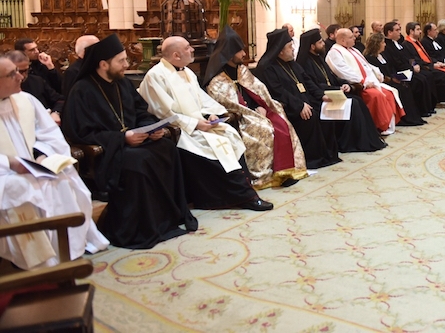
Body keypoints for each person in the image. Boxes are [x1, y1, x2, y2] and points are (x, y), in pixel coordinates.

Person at [63, 34, 197, 249]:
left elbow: (141, 112)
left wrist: (152, 128)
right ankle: (141, 227)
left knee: (167, 148)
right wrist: (122, 138)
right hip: (108, 151)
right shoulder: (82, 90)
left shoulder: (122, 84)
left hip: (135, 142)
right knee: (139, 160)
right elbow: (81, 132)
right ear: (103, 64)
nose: (127, 64)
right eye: (121, 61)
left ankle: (168, 217)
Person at [138, 36, 272, 211]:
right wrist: (196, 124)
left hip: (200, 124)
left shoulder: (187, 72)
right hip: (183, 130)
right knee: (214, 147)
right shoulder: (156, 76)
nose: (192, 50)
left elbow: (202, 100)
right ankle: (239, 197)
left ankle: (245, 191)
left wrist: (211, 114)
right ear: (176, 55)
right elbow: (164, 113)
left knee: (230, 135)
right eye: (188, 47)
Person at [0, 56, 108, 270]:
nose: (20, 77)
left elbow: (49, 134)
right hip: (5, 174)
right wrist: (9, 163)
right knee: (20, 189)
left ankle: (68, 249)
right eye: (12, 74)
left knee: (62, 177)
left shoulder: (26, 100)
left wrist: (42, 155)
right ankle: (38, 260)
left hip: (35, 165)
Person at [203, 26, 308, 188]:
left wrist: (261, 106)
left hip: (256, 111)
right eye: (240, 51)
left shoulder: (242, 70)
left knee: (281, 121)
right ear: (230, 53)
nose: (244, 54)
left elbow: (257, 91)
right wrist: (251, 111)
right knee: (264, 129)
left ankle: (284, 170)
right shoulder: (217, 80)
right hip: (238, 117)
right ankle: (265, 176)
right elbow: (225, 104)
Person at [254, 28, 341, 169]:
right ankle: (312, 158)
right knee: (310, 117)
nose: (293, 49)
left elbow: (307, 82)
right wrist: (299, 105)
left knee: (326, 111)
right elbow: (278, 92)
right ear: (280, 51)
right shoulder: (267, 68)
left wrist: (321, 95)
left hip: (305, 100)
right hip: (287, 106)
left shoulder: (292, 63)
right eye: (290, 47)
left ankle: (327, 154)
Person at [296, 28, 388, 151]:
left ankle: (370, 139)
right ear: (312, 46)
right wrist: (336, 88)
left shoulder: (319, 58)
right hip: (320, 97)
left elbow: (332, 77)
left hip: (332, 91)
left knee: (358, 100)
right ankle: (352, 143)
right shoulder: (305, 63)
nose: (324, 44)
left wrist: (345, 84)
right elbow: (313, 86)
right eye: (320, 42)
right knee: (353, 103)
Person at [326, 28, 404, 135]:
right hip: (356, 85)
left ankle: (387, 126)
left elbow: (366, 65)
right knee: (376, 95)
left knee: (389, 93)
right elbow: (343, 72)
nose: (354, 38)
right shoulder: (334, 53)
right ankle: (376, 126)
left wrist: (377, 74)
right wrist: (363, 82)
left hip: (368, 82)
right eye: (351, 37)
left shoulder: (353, 50)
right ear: (343, 40)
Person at [363, 32, 426, 126]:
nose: (385, 44)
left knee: (406, 86)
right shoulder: (370, 58)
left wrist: (397, 76)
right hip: (382, 82)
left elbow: (390, 68)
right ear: (377, 44)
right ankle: (404, 119)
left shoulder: (382, 55)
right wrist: (392, 79)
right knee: (401, 89)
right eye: (383, 42)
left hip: (391, 78)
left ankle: (413, 117)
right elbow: (377, 75)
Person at [403, 22, 445, 109]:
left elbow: (427, 56)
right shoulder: (407, 44)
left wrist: (436, 62)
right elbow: (414, 60)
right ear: (411, 31)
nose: (420, 31)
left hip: (428, 64)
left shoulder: (417, 42)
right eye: (418, 29)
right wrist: (432, 65)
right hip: (423, 67)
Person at [382, 21, 437, 116]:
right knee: (419, 80)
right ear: (390, 32)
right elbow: (397, 64)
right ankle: (421, 109)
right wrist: (412, 68)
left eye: (399, 30)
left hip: (408, 69)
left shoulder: (398, 44)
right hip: (400, 72)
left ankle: (428, 107)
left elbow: (409, 58)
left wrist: (414, 64)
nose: (400, 32)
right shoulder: (387, 46)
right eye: (397, 30)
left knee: (427, 76)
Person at [7, 51, 64, 126]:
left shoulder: (37, 81)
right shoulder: (4, 88)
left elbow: (59, 100)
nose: (23, 76)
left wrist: (56, 113)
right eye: (19, 72)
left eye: (26, 70)